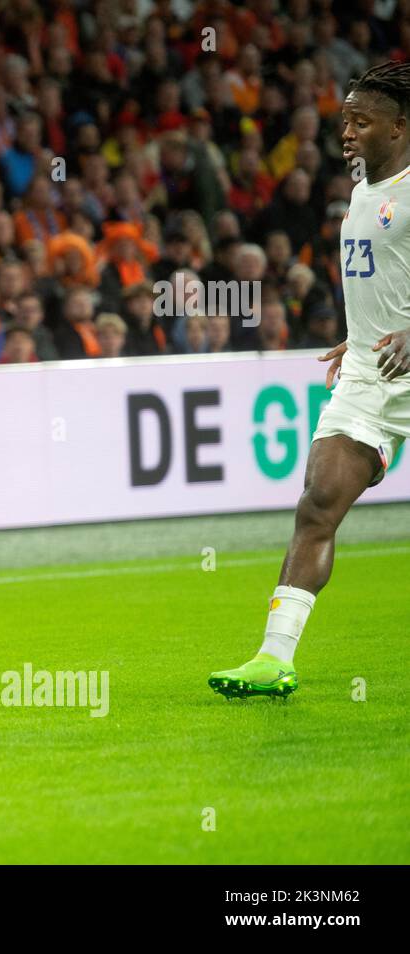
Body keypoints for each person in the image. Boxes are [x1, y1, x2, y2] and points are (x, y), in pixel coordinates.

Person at [211, 62, 410, 698]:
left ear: (400, 129)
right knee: (317, 501)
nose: (346, 131)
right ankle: (275, 658)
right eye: (344, 119)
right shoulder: (361, 193)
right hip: (372, 374)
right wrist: (365, 331)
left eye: (361, 121)